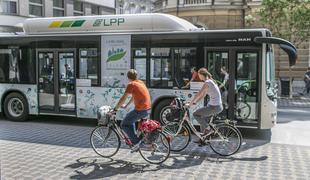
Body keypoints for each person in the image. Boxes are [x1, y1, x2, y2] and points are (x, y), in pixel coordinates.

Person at [114, 69, 151, 152]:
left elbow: (123, 98)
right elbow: (134, 96)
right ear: (136, 76)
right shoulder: (140, 82)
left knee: (124, 124)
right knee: (131, 120)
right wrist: (127, 105)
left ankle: (136, 142)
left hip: (141, 110)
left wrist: (115, 109)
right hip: (148, 109)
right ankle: (134, 137)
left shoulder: (131, 84)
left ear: (128, 77)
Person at [186, 68, 223, 145]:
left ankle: (209, 129)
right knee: (202, 119)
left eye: (199, 75)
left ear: (203, 75)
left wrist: (190, 104)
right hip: (215, 106)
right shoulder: (211, 81)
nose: (199, 77)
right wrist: (194, 103)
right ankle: (203, 139)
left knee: (196, 114)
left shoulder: (208, 82)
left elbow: (198, 93)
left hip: (214, 107)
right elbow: (202, 95)